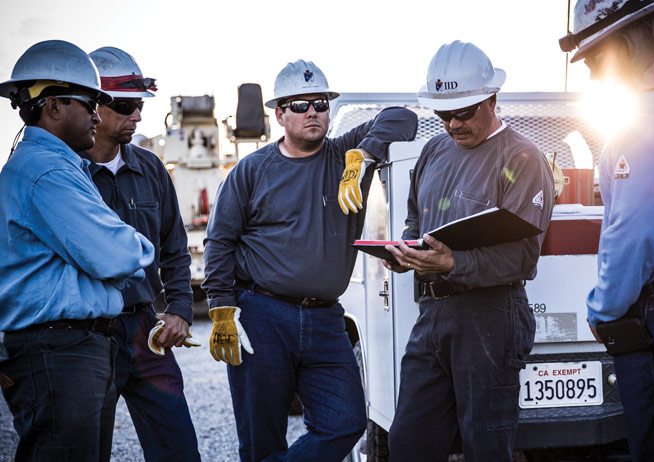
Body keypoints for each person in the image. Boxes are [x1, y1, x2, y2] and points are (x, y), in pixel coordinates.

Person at [202, 59, 417, 462]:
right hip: (261, 315)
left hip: (324, 321)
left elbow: (402, 118)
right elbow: (220, 240)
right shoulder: (251, 171)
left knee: (346, 422)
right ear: (279, 114)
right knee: (261, 437)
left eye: (319, 103)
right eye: (299, 106)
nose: (312, 112)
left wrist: (364, 156)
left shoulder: (344, 156)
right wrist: (220, 308)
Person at [385, 40, 555, 462]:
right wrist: (409, 250)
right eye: (443, 114)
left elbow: (523, 256)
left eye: (464, 112)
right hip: (433, 314)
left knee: (486, 447)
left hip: (492, 316)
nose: (453, 124)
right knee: (408, 444)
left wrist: (453, 262)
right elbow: (414, 218)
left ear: (492, 99)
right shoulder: (433, 151)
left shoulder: (522, 157)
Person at [0, 40, 155, 461]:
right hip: (58, 353)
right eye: (90, 102)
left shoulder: (59, 166)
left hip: (67, 350)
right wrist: (132, 245)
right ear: (53, 106)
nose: (97, 113)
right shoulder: (46, 171)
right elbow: (120, 256)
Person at [560, 1, 654, 460]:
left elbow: (637, 235)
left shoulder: (648, 121)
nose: (595, 77)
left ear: (630, 45)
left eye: (596, 61)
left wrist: (604, 309)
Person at [79, 46, 201, 462]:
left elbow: (174, 248)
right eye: (128, 105)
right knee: (87, 449)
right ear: (95, 104)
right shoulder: (65, 174)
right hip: (86, 335)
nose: (138, 116)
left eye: (140, 105)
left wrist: (181, 309)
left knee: (178, 448)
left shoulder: (151, 169)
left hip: (145, 332)